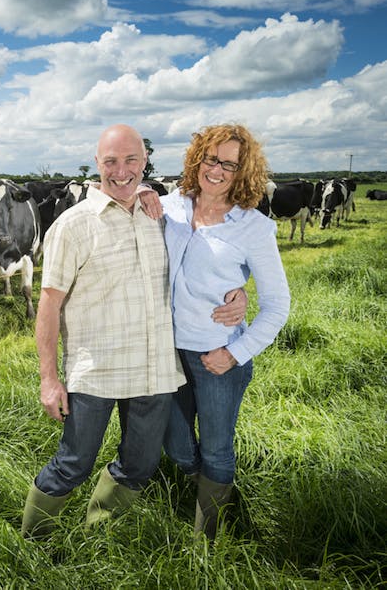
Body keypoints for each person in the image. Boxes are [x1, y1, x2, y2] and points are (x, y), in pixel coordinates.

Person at [21, 124, 246, 538]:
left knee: (140, 465)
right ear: (97, 164)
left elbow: (208, 258)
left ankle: (98, 535)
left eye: (131, 161)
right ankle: (35, 544)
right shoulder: (73, 225)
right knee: (74, 463)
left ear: (145, 163)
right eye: (111, 162)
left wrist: (239, 293)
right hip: (96, 371)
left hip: (154, 372)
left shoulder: (162, 216)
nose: (121, 171)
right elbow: (49, 304)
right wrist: (49, 379)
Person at [161, 123, 291, 540]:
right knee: (177, 447)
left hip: (217, 358)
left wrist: (234, 354)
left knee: (217, 448)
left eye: (229, 165)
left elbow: (277, 305)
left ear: (244, 172)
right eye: (211, 158)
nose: (216, 170)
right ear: (197, 158)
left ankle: (207, 539)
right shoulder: (169, 207)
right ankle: (209, 491)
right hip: (167, 353)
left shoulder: (253, 227)